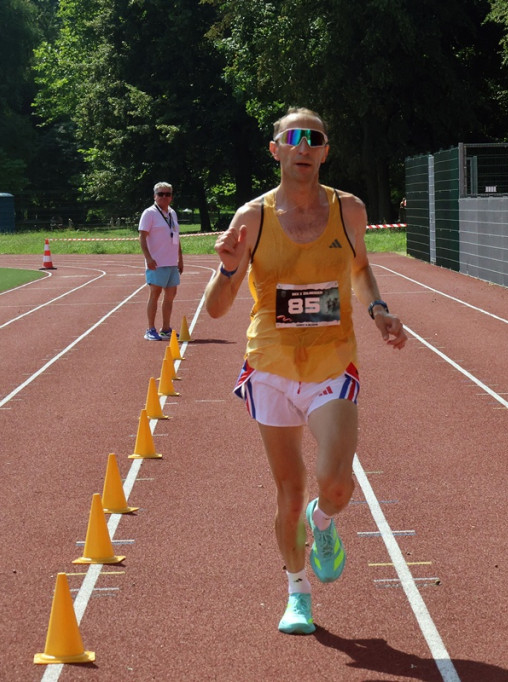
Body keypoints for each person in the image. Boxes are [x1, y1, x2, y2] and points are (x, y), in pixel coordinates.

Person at [204, 107, 408, 635]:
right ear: (275, 149)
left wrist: (378, 310)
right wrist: (228, 268)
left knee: (335, 485)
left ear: (324, 150)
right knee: (288, 491)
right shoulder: (252, 218)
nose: (303, 146)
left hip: (331, 361)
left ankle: (325, 522)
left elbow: (360, 269)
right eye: (292, 138)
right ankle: (298, 592)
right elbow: (216, 307)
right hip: (270, 365)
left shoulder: (350, 211)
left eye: (313, 138)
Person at [138, 182, 183, 340]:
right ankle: (150, 329)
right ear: (155, 196)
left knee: (170, 297)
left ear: (171, 196)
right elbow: (142, 237)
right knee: (154, 295)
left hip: (171, 262)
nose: (164, 197)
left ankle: (165, 328)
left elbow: (176, 237)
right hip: (156, 263)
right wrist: (148, 258)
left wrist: (180, 259)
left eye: (167, 194)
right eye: (161, 194)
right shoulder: (149, 213)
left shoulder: (172, 213)